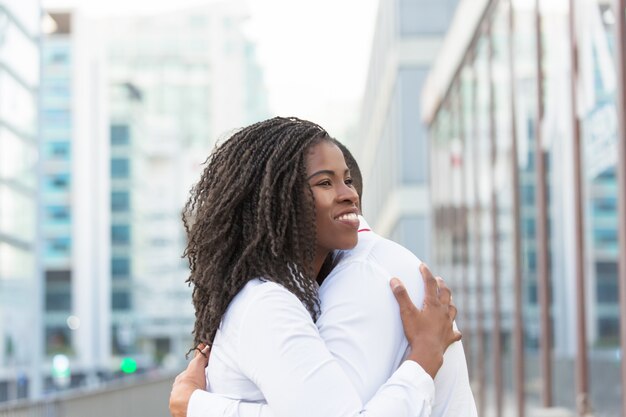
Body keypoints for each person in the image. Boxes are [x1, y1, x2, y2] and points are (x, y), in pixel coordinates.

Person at [171, 117, 462, 417]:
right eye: (325, 182)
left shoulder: (305, 291)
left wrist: (197, 407)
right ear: (276, 201)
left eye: (347, 180)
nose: (350, 194)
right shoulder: (268, 303)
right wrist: (425, 357)